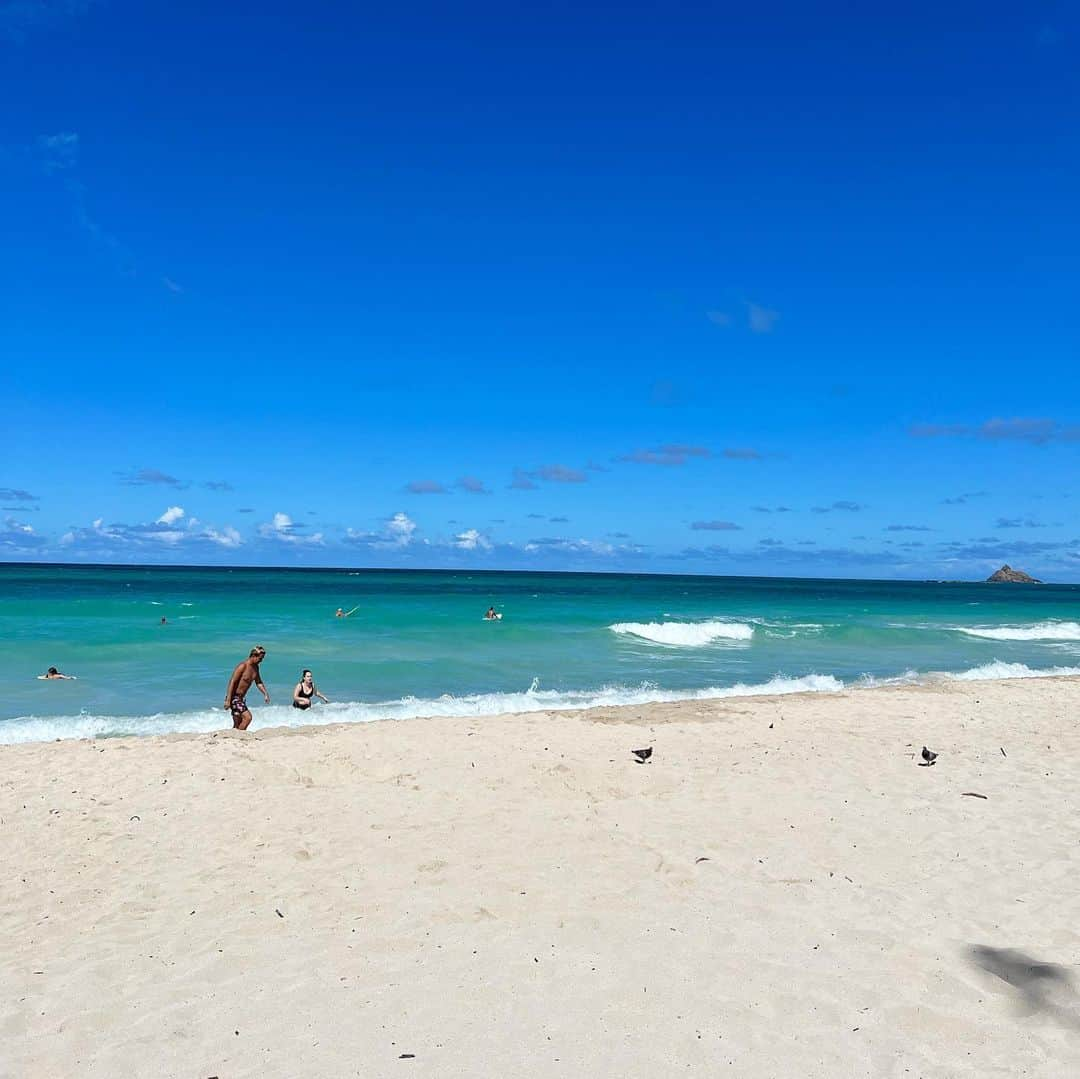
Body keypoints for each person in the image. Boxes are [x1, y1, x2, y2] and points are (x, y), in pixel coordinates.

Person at [224, 646, 270, 730]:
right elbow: (232, 682)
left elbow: (258, 682)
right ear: (253, 656)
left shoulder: (256, 668)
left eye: (262, 659)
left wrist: (265, 694)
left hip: (241, 698)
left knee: (238, 722)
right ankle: (239, 736)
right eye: (260, 658)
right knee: (248, 718)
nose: (261, 661)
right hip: (234, 697)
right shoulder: (243, 666)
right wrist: (228, 700)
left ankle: (233, 738)